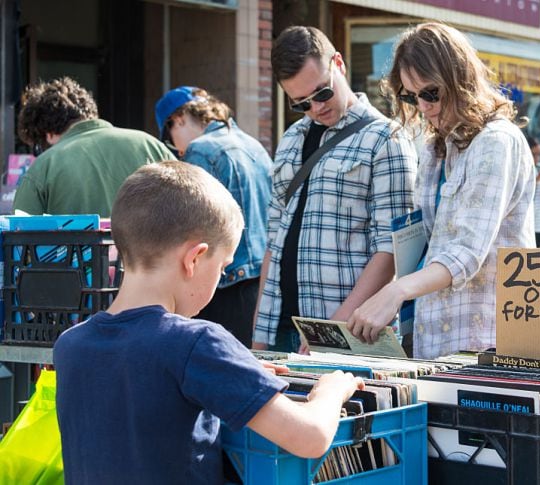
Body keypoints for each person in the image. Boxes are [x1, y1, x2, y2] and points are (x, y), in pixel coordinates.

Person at [53, 161, 364, 484]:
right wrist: (331, 389)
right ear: (195, 259)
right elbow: (310, 438)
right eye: (223, 269)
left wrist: (233, 375)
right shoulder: (196, 343)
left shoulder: (70, 345)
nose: (221, 280)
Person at [346, 23, 535, 359]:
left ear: (459, 80)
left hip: (488, 340)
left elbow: (466, 252)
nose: (422, 106)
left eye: (430, 93)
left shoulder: (496, 140)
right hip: (432, 337)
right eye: (410, 96)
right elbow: (428, 244)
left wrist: (397, 291)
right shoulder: (436, 148)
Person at [254, 26, 417, 351]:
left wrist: (330, 330)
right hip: (280, 327)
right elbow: (273, 240)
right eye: (301, 103)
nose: (316, 108)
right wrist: (259, 334)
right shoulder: (290, 139)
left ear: (338, 64)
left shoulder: (386, 138)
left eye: (322, 93)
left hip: (350, 330)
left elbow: (392, 250)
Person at [154, 86, 272, 347]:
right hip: (260, 283)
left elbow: (192, 224)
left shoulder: (201, 150)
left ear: (180, 119)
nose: (177, 150)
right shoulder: (255, 146)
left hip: (223, 285)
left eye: (170, 138)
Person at [14, 77, 174, 216]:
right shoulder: (150, 144)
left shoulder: (44, 166)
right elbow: (194, 202)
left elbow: (18, 239)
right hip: (154, 250)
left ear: (48, 134)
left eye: (39, 146)